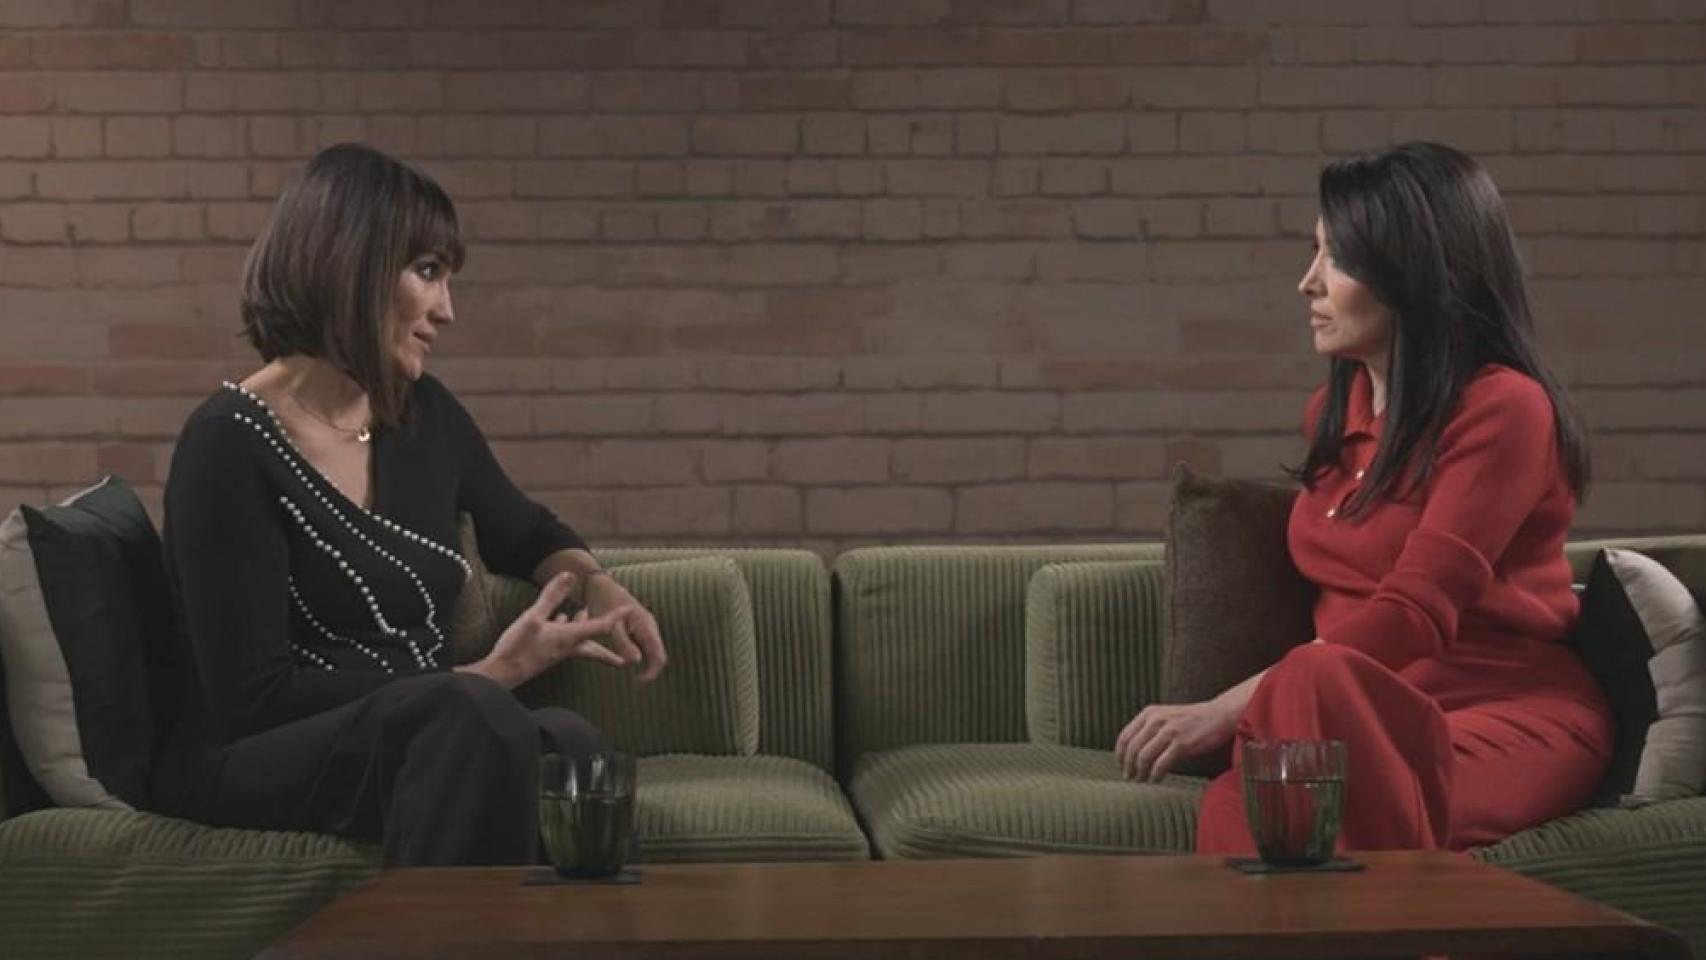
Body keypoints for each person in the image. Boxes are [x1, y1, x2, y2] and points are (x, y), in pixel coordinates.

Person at [150, 143, 669, 866]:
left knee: (572, 749)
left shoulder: (421, 414)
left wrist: (596, 583)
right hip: (256, 755)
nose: (446, 311)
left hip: (434, 730)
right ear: (352, 265)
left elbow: (526, 531)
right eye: (427, 272)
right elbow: (253, 699)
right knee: (469, 716)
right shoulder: (227, 443)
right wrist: (486, 677)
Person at [1114, 142, 1614, 853]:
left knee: (1310, 691)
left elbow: (1412, 614)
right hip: (1338, 720)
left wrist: (1223, 710)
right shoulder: (1331, 413)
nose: (1307, 283)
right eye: (1314, 252)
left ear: (1414, 274)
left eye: (1337, 258)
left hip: (1504, 716)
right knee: (1235, 805)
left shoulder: (1505, 408)